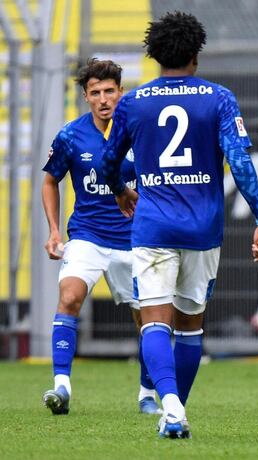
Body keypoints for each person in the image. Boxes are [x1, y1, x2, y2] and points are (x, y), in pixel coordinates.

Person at [101, 11, 258, 439]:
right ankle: (175, 409)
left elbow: (108, 162)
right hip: (203, 230)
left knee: (154, 321)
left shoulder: (133, 102)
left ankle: (171, 406)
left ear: (155, 55)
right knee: (191, 323)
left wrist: (121, 188)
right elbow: (241, 161)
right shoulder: (219, 98)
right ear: (196, 55)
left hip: (153, 227)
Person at [41, 58, 161, 416]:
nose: (104, 98)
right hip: (88, 236)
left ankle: (146, 395)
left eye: (110, 90)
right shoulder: (70, 135)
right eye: (96, 92)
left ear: (121, 93)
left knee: (148, 320)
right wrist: (53, 230)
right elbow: (50, 179)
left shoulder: (141, 132)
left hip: (135, 240)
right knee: (70, 296)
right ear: (86, 96)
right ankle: (61, 387)